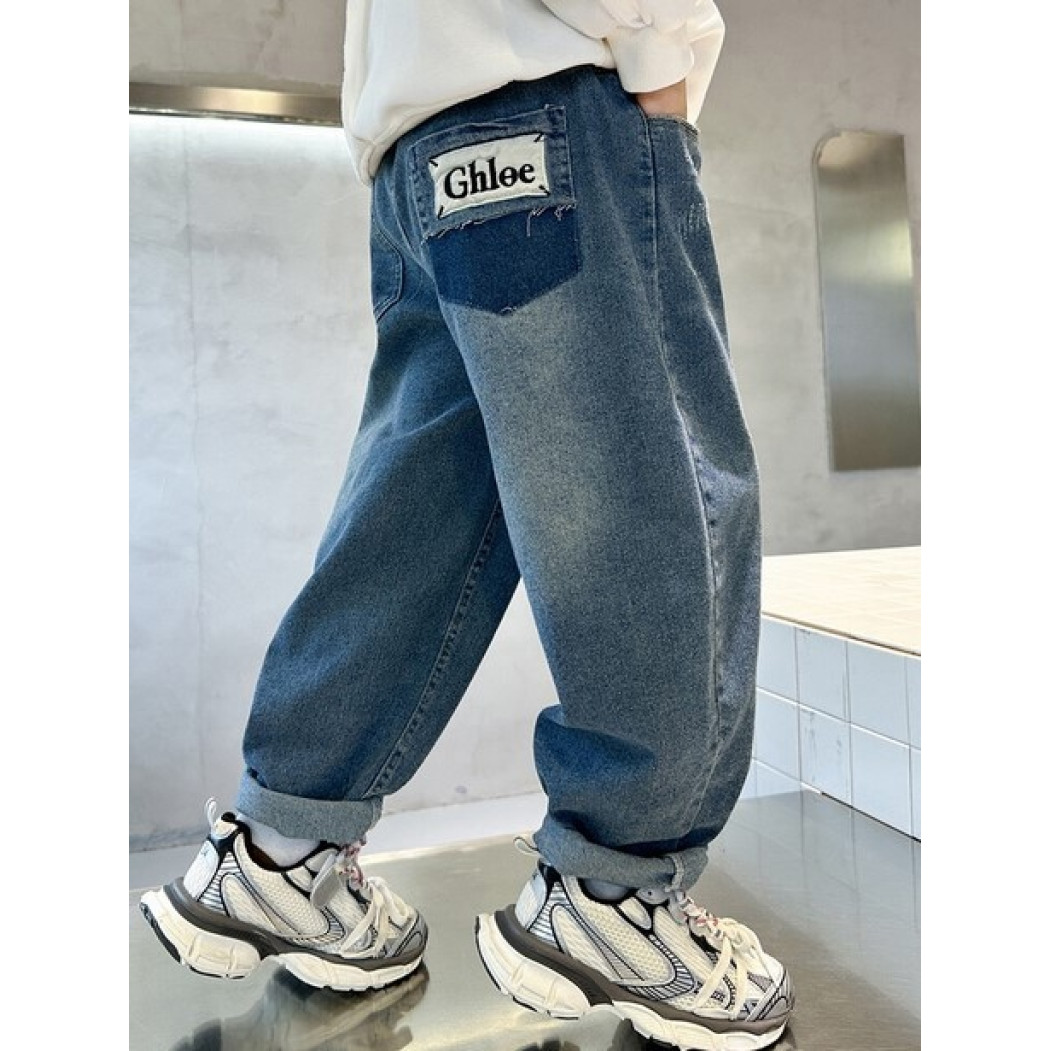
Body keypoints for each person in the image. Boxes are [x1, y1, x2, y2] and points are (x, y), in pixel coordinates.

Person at [139, 2, 795, 1047]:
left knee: (428, 508)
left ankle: (279, 851)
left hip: (416, 145)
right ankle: (619, 895)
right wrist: (657, 45)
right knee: (654, 490)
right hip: (562, 105)